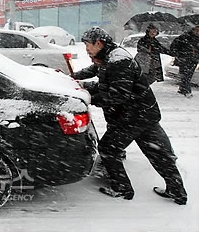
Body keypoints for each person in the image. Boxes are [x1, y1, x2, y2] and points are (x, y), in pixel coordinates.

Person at [73, 26, 187, 205]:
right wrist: (74, 79)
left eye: (88, 46)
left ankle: (122, 189)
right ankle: (177, 191)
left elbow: (117, 95)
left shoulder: (118, 61)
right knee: (157, 152)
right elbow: (95, 71)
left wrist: (88, 96)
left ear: (99, 43)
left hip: (133, 116)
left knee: (108, 149)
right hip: (143, 113)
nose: (86, 50)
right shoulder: (108, 56)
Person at [169, 25, 199, 98]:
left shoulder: (197, 39)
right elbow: (174, 46)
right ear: (193, 29)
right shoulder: (185, 37)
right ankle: (187, 91)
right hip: (184, 59)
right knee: (186, 76)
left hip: (193, 60)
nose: (198, 32)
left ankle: (182, 89)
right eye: (197, 30)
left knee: (188, 75)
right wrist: (179, 54)